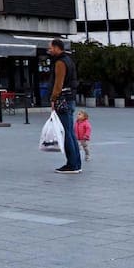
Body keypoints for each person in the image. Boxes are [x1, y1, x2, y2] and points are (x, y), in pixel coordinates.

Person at [48, 38, 82, 173]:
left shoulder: (60, 63)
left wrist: (53, 98)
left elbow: (58, 83)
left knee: (66, 133)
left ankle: (72, 164)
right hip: (70, 98)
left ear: (57, 48)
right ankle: (76, 163)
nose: (49, 50)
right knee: (70, 132)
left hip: (63, 100)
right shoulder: (69, 60)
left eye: (50, 48)